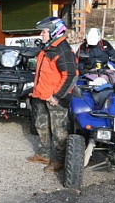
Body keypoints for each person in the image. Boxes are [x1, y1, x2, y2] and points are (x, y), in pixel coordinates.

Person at [27, 17, 77, 172]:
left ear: (54, 32)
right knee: (41, 125)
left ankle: (60, 160)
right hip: (42, 95)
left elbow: (71, 75)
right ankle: (44, 154)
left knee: (59, 130)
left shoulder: (62, 49)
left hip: (55, 99)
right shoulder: (48, 48)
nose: (41, 34)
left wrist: (57, 96)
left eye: (44, 31)